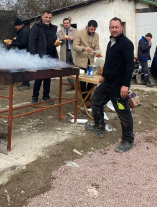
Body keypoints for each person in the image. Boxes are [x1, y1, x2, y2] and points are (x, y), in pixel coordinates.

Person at [87, 17, 135, 153]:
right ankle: (99, 127)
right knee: (95, 101)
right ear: (109, 28)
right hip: (107, 83)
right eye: (112, 27)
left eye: (116, 27)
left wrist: (126, 85)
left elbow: (129, 65)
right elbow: (109, 61)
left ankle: (128, 139)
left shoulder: (126, 44)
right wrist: (104, 75)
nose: (114, 29)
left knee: (123, 112)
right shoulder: (111, 42)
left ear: (121, 28)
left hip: (119, 87)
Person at [28, 11, 59, 105]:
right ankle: (35, 96)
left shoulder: (53, 28)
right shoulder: (36, 27)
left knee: (48, 77)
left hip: (50, 56)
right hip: (40, 57)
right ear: (42, 17)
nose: (48, 19)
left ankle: (46, 96)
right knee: (39, 77)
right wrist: (34, 55)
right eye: (46, 17)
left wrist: (57, 43)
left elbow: (53, 41)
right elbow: (31, 42)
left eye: (49, 17)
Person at [72, 20, 101, 107]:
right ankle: (85, 99)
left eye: (94, 29)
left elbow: (97, 46)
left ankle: (88, 97)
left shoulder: (96, 35)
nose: (93, 31)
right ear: (87, 26)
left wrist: (98, 53)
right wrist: (84, 48)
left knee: (91, 80)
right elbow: (74, 46)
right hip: (80, 61)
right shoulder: (79, 33)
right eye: (92, 29)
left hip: (91, 61)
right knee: (83, 82)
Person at [5, 18, 30, 90]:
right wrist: (13, 40)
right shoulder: (21, 31)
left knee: (24, 69)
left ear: (20, 25)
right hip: (21, 53)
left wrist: (12, 43)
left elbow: (23, 43)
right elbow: (19, 40)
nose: (15, 27)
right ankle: (24, 83)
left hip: (24, 53)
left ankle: (26, 84)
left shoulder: (25, 32)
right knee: (22, 68)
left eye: (16, 26)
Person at [57, 18, 76, 90]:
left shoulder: (75, 30)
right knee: (67, 68)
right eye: (64, 23)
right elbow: (56, 42)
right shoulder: (59, 32)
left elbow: (78, 40)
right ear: (63, 24)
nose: (66, 24)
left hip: (73, 51)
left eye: (67, 23)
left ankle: (78, 83)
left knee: (76, 66)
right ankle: (71, 84)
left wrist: (73, 39)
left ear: (70, 23)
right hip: (65, 52)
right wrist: (60, 39)